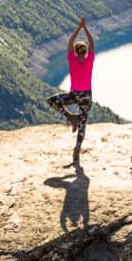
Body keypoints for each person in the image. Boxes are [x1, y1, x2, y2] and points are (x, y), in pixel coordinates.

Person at [47, 17, 95, 164]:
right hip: (86, 96)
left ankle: (69, 116)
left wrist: (79, 27)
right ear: (86, 52)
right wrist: (85, 28)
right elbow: (92, 43)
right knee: (83, 124)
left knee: (53, 101)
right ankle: (77, 150)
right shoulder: (90, 60)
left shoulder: (72, 60)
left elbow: (69, 42)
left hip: (73, 95)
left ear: (74, 52)